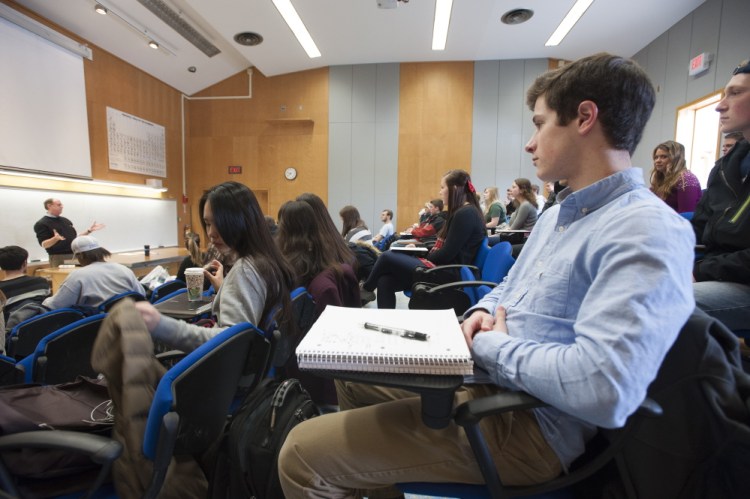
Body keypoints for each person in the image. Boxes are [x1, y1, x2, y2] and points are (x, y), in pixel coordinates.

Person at [278, 53, 695, 498]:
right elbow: (508, 292)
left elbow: (606, 390)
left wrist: (492, 345)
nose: (530, 143)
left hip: (530, 428)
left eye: (540, 124)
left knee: (300, 454)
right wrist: (480, 311)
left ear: (585, 117)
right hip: (490, 384)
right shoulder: (559, 217)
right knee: (351, 374)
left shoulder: (646, 228)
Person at [134, 182, 294, 353]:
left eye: (218, 223)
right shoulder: (266, 261)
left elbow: (230, 341)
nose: (210, 233)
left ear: (240, 221)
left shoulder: (245, 271)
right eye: (208, 224)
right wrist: (224, 289)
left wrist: (160, 324)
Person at [360, 169, 485, 309]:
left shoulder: (465, 213)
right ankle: (384, 319)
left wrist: (422, 253)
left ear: (454, 189)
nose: (440, 192)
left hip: (450, 273)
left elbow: (446, 254)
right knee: (385, 281)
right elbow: (447, 250)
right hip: (444, 269)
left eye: (442, 187)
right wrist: (420, 252)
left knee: (387, 256)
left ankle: (366, 289)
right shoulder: (464, 211)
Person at [692, 58, 750, 331]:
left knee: (660, 302)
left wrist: (700, 271)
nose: (720, 105)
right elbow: (699, 226)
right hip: (718, 274)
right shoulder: (725, 166)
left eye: (736, 93)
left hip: (741, 282)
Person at [41, 235, 144, 310]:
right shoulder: (123, 269)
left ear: (80, 256)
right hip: (131, 317)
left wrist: (43, 301)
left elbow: (56, 305)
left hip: (98, 325)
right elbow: (141, 294)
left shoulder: (78, 276)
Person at [33, 198, 105, 267]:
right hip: (59, 257)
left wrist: (89, 230)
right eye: (59, 204)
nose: (62, 206)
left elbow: (75, 237)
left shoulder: (65, 221)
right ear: (49, 206)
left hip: (76, 254)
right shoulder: (42, 223)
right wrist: (55, 239)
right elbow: (44, 244)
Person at [0, 245, 50, 322]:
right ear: (24, 263)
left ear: (2, 267)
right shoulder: (41, 282)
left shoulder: (1, 291)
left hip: (13, 331)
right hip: (46, 325)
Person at [649, 140, 702, 213]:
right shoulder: (659, 179)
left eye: (664, 157)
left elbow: (687, 216)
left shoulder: (686, 179)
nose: (658, 161)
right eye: (656, 157)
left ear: (676, 159)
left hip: (679, 223)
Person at [492, 178, 538, 245]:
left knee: (488, 240)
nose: (511, 189)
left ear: (522, 190)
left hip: (524, 240)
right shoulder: (520, 204)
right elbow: (511, 225)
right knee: (488, 239)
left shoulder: (525, 205)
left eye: (514, 187)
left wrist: (499, 232)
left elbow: (513, 228)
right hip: (518, 237)